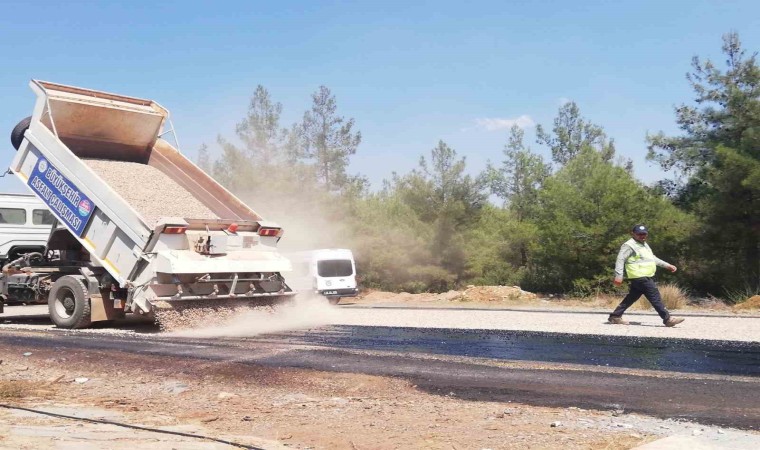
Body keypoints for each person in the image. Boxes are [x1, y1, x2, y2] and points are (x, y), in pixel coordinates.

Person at [608, 224, 685, 327]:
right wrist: (618, 275)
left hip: (642, 276)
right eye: (639, 234)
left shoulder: (644, 244)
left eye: (644, 234)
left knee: (631, 298)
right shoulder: (629, 245)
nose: (642, 236)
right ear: (633, 234)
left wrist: (667, 265)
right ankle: (667, 319)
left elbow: (652, 258)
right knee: (655, 296)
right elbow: (620, 259)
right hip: (640, 276)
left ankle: (615, 316)